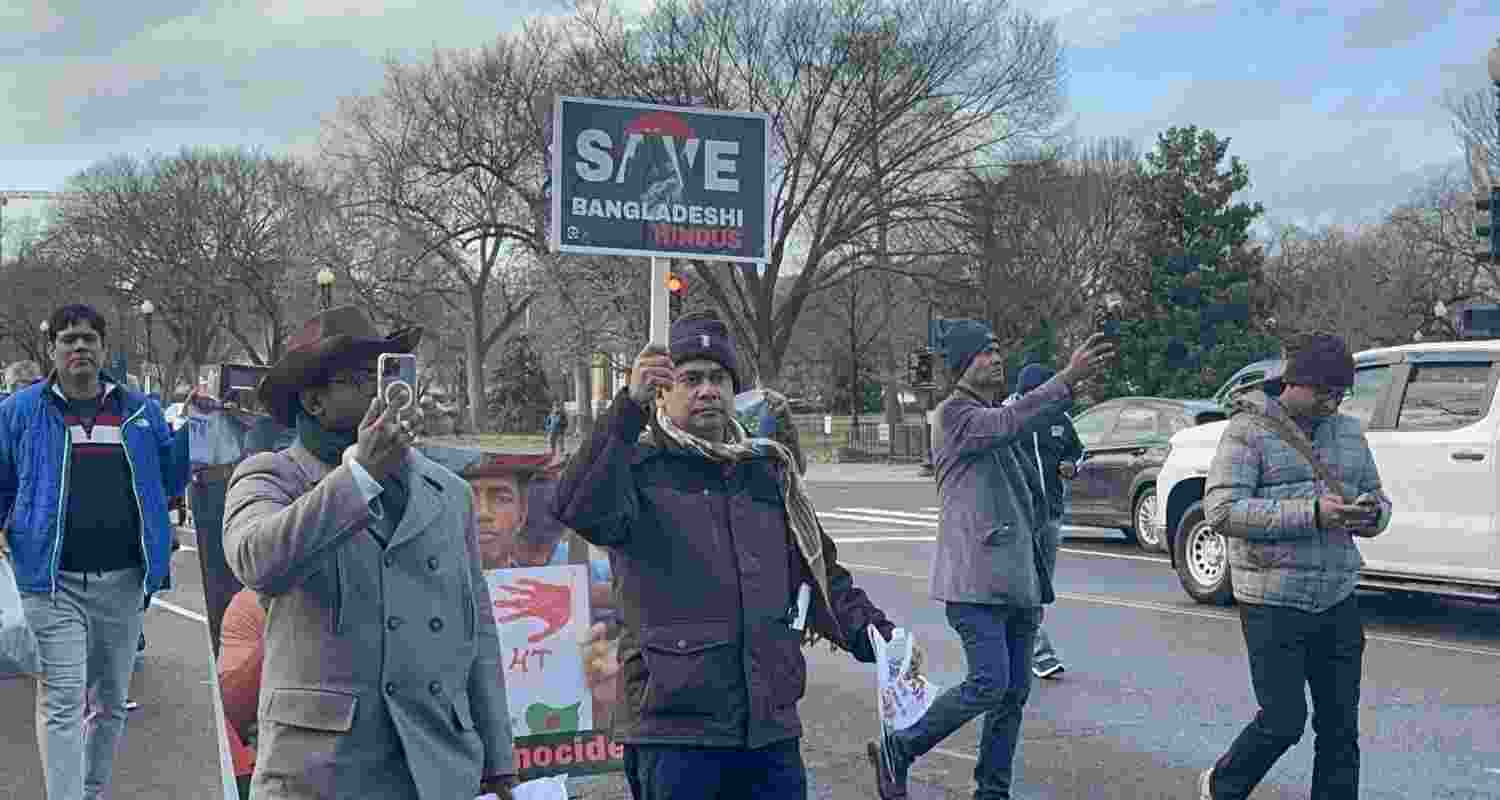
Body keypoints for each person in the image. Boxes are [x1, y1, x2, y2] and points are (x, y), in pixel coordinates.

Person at [553, 311, 908, 800]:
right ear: (662, 391)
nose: (707, 390)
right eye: (690, 378)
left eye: (718, 378)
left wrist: (883, 641)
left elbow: (821, 577)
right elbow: (575, 507)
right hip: (675, 736)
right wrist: (625, 410)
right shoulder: (635, 465)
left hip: (769, 733)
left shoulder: (766, 472)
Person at [221, 306, 516, 800]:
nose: (386, 390)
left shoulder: (447, 491)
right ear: (314, 401)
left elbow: (476, 625)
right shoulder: (271, 475)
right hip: (322, 769)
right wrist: (360, 477)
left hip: (434, 762)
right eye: (363, 378)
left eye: (393, 372)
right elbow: (256, 560)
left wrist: (498, 756)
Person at [870, 320, 1113, 800]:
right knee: (989, 683)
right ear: (963, 364)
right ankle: (900, 748)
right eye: (985, 352)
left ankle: (992, 791)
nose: (997, 358)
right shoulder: (954, 415)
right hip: (975, 582)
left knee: (1014, 693)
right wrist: (1066, 377)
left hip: (1018, 580)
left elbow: (1025, 454)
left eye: (999, 349)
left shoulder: (992, 411)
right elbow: (1008, 424)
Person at [0, 303, 191, 800]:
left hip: (124, 582)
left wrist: (193, 430)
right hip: (51, 583)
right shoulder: (19, 412)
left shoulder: (139, 411)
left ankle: (91, 791)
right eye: (68, 339)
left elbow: (171, 481)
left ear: (103, 349)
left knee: (108, 703)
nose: (79, 347)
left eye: (88, 338)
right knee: (61, 699)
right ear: (51, 350)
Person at [1198, 333, 1390, 800]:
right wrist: (1312, 513)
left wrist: (1371, 513)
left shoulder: (1348, 431)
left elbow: (1377, 496)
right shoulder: (1247, 430)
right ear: (1295, 383)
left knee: (1340, 729)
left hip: (1337, 596)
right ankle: (1222, 786)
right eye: (1325, 392)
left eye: (1341, 393)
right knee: (1284, 722)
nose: (1333, 402)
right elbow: (1221, 511)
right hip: (1272, 600)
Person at [1003, 364, 1084, 680]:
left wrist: (1071, 466)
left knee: (1039, 589)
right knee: (1026, 589)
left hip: (1050, 515)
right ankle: (1040, 654)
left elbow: (1078, 452)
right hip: (1017, 519)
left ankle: (1017, 649)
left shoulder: (1059, 419)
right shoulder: (1007, 419)